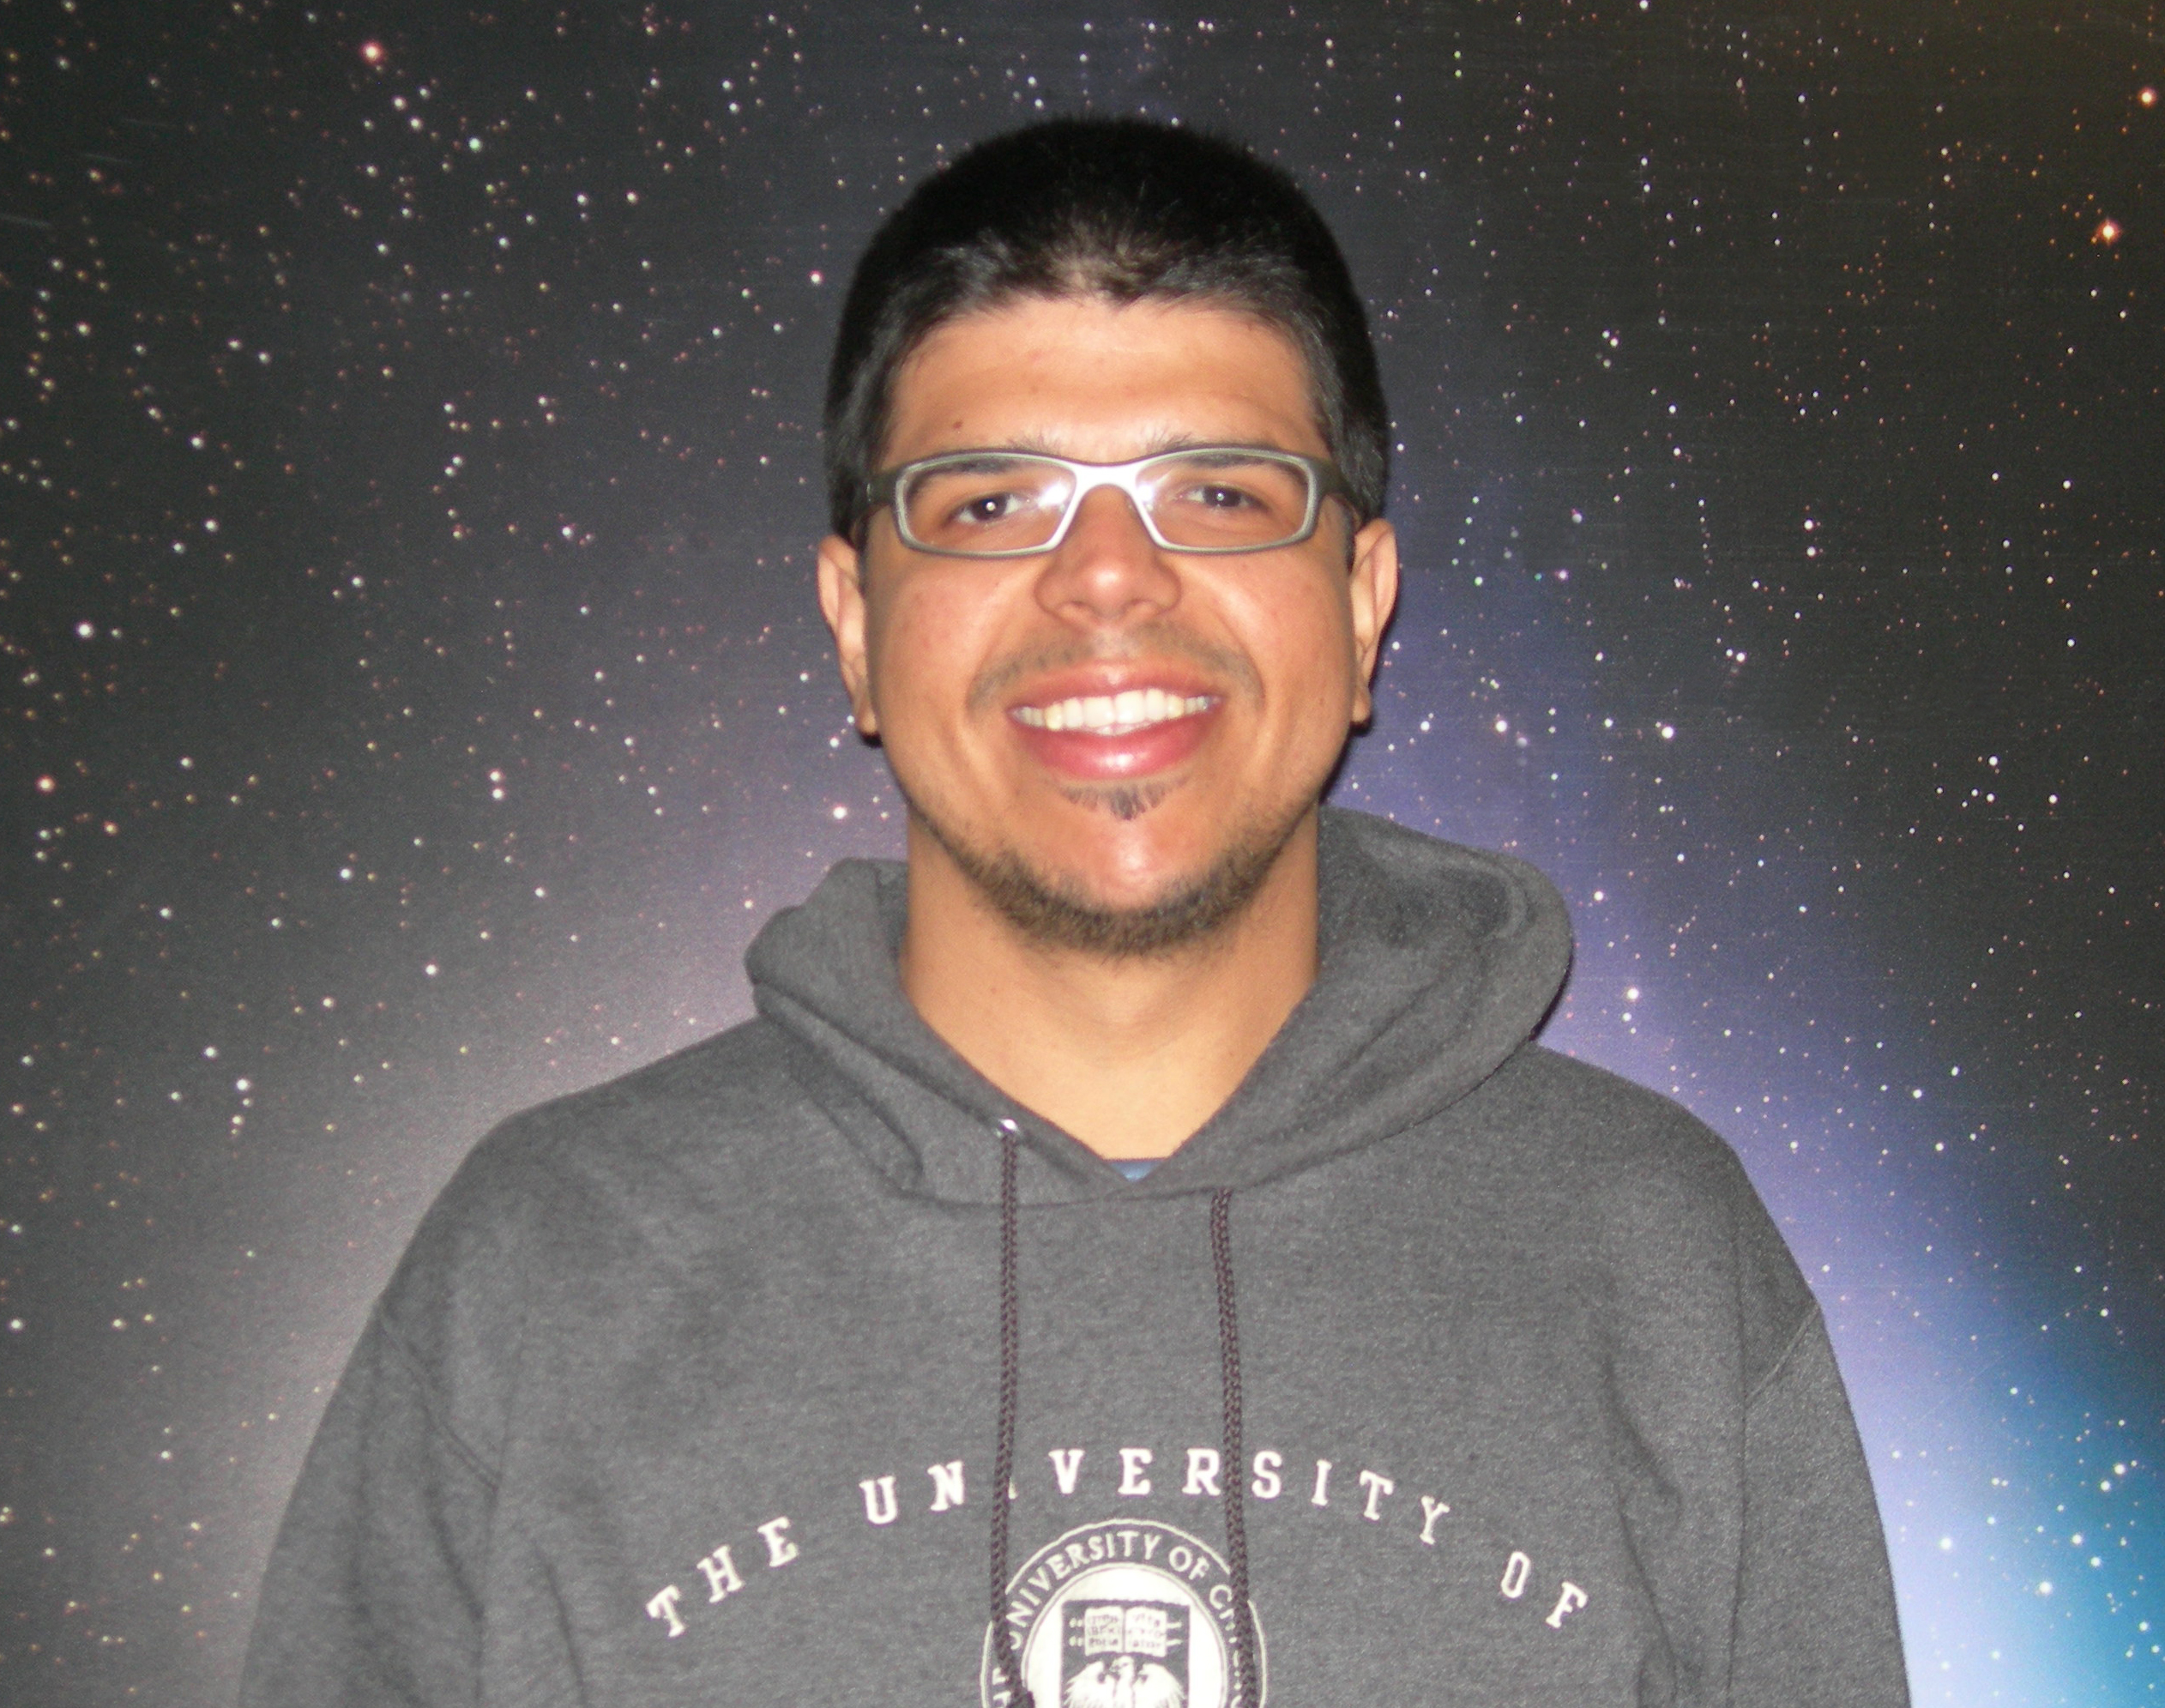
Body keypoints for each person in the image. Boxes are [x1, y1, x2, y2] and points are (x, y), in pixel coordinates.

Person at [241, 118, 1909, 1707]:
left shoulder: (1651, 1259)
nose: (1107, 574)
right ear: (854, 626)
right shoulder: (553, 1266)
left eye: (1219, 493)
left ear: (1360, 604)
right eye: (988, 503)